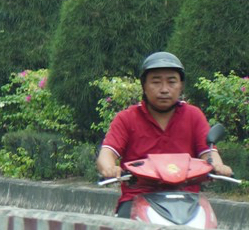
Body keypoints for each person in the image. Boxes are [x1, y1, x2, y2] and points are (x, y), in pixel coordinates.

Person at [96, 52, 233, 217]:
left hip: (188, 200)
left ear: (181, 85)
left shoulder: (193, 115)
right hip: (137, 197)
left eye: (171, 82)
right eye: (156, 82)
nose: (164, 89)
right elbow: (107, 153)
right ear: (144, 86)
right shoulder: (126, 118)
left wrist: (218, 166)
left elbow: (209, 153)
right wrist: (110, 168)